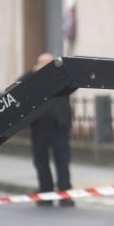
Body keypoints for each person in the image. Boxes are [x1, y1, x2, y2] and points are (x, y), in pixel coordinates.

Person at [26, 52, 74, 207]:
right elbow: (19, 86)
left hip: (59, 126)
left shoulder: (61, 77)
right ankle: (46, 192)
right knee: (41, 161)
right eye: (43, 63)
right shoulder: (32, 79)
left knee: (62, 161)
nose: (46, 67)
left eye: (49, 63)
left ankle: (64, 193)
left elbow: (73, 82)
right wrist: (33, 72)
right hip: (39, 127)